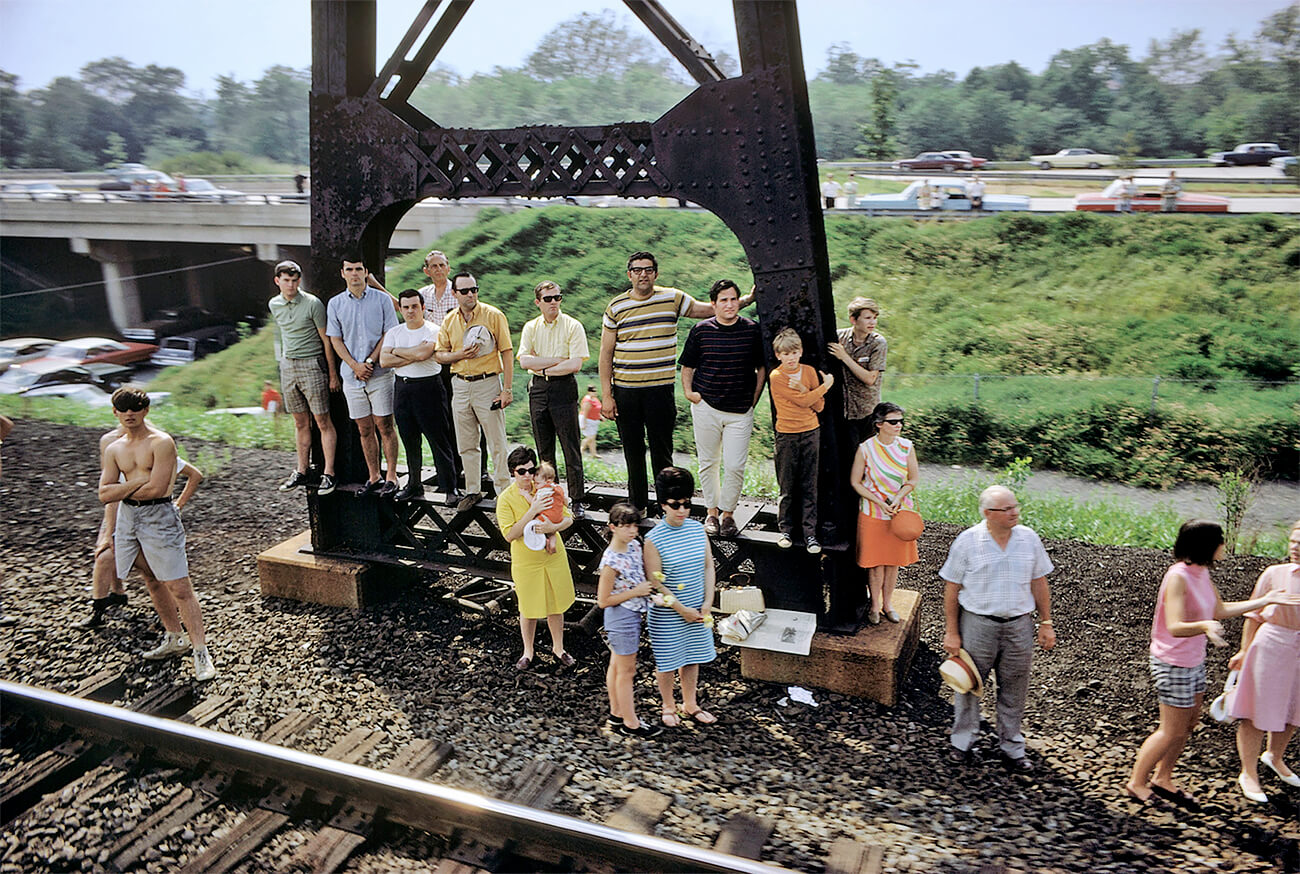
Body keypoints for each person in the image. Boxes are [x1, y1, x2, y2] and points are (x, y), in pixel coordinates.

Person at [1123, 520, 1300, 806]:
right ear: (1206, 545)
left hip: (1193, 660)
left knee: (1189, 724)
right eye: (1221, 541)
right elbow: (1175, 625)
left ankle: (1163, 778)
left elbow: (1220, 609)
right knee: (1170, 729)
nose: (1225, 546)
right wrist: (1205, 626)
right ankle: (1137, 782)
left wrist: (1266, 600)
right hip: (1172, 662)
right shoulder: (1178, 576)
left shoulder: (1201, 572)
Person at [598, 252, 751, 512]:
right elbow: (605, 352)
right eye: (637, 270)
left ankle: (665, 505)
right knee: (633, 452)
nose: (642, 274)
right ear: (629, 274)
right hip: (626, 390)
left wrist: (746, 299)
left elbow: (710, 308)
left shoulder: (672, 298)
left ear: (656, 273)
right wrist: (607, 395)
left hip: (660, 390)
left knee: (662, 451)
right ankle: (638, 505)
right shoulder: (616, 307)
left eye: (648, 269)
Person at [98, 387, 216, 681]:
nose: (129, 414)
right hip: (128, 518)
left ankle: (201, 652)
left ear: (145, 410)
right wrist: (137, 483)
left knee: (179, 586)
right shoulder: (114, 448)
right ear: (115, 412)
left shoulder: (161, 442)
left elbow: (158, 488)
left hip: (158, 515)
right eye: (123, 409)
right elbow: (103, 493)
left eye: (134, 408)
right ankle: (175, 636)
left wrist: (124, 487)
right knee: (150, 578)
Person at [940, 485, 1054, 773]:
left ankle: (1011, 747)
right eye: (1006, 509)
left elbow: (1039, 582)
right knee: (967, 685)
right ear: (988, 514)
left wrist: (1046, 623)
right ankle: (962, 742)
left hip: (1018, 625)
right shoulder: (967, 542)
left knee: (1015, 688)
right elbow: (951, 588)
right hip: (977, 624)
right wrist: (951, 632)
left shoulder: (1029, 539)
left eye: (1015, 506)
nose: (1014, 512)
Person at [80, 424, 203, 629]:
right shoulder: (116, 454)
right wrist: (108, 531)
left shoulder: (160, 454)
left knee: (159, 575)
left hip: (153, 518)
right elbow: (109, 499)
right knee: (105, 557)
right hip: (122, 516)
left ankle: (174, 620)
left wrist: (178, 505)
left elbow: (193, 475)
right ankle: (101, 609)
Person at [679, 279, 766, 538]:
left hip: (740, 410)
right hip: (707, 406)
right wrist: (689, 393)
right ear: (714, 304)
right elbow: (687, 366)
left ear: (739, 301)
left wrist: (754, 398)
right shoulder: (701, 330)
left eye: (733, 299)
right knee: (708, 462)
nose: (729, 304)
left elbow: (762, 368)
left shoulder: (752, 330)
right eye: (723, 300)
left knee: (735, 464)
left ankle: (729, 514)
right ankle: (712, 513)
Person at [1229, 520, 1300, 802]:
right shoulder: (1274, 574)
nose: (1295, 548)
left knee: (1294, 709)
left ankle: (1274, 756)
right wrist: (1244, 651)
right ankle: (1249, 772)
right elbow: (1254, 615)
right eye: (1293, 542)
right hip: (1271, 645)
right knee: (1256, 710)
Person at [643, 467, 717, 727]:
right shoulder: (653, 539)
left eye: (687, 504)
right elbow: (655, 582)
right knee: (668, 660)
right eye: (675, 505)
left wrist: (708, 602)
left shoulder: (697, 530)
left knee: (693, 657)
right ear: (663, 504)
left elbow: (708, 566)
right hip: (669, 612)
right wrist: (680, 608)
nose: (682, 511)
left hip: (697, 607)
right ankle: (667, 705)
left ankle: (691, 703)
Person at [435, 271, 514, 512]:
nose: (471, 294)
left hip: (487, 383)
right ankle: (472, 490)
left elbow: (507, 351)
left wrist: (507, 390)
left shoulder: (493, 315)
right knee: (466, 441)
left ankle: (504, 493)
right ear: (454, 294)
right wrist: (459, 355)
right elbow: (440, 354)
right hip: (460, 384)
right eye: (465, 291)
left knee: (496, 440)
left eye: (474, 289)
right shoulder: (449, 321)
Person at [496, 445, 576, 670]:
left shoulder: (543, 487)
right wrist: (532, 511)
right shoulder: (506, 499)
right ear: (513, 471)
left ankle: (558, 648)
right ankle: (528, 651)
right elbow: (510, 534)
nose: (527, 476)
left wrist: (554, 526)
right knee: (528, 606)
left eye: (531, 471)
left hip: (552, 556)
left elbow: (568, 517)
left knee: (556, 604)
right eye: (522, 471)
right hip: (526, 560)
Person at [326, 253, 400, 496]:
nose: (354, 274)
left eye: (359, 269)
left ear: (365, 272)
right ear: (342, 273)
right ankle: (374, 475)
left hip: (379, 373)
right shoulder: (335, 303)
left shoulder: (381, 300)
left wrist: (369, 361)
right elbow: (335, 339)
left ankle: (391, 475)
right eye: (350, 269)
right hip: (352, 375)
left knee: (385, 425)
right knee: (364, 428)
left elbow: (388, 333)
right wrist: (354, 365)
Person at [517, 280, 590, 518]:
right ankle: (552, 495)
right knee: (544, 448)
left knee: (570, 446)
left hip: (563, 388)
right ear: (538, 302)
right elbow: (525, 361)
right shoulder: (531, 327)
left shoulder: (572, 325)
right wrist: (558, 360)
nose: (554, 303)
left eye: (558, 297)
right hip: (538, 389)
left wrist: (545, 366)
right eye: (548, 299)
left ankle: (577, 498)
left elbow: (575, 364)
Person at [379, 289, 457, 503]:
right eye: (406, 307)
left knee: (438, 438)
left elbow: (424, 354)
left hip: (428, 387)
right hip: (403, 388)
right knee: (409, 438)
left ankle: (450, 487)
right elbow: (384, 361)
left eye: (415, 306)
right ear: (401, 309)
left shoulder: (434, 330)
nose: (410, 311)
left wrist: (398, 352)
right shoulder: (394, 332)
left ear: (423, 307)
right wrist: (412, 354)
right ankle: (414, 484)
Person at [269, 259, 339, 496]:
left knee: (322, 421)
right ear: (278, 281)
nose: (290, 285)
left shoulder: (312, 304)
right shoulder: (274, 304)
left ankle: (329, 474)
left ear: (299, 281)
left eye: (294, 280)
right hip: (288, 365)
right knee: (299, 422)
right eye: (286, 280)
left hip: (312, 363)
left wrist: (332, 374)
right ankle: (301, 469)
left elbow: (326, 340)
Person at [596, 502, 663, 739]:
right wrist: (637, 591)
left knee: (617, 666)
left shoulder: (635, 546)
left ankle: (616, 714)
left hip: (633, 613)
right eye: (626, 526)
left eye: (634, 525)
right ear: (612, 527)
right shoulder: (610, 561)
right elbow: (603, 600)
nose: (632, 530)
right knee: (627, 670)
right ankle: (631, 723)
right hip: (620, 616)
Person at [850, 402, 919, 625]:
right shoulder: (866, 448)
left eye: (900, 421)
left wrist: (898, 499)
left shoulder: (907, 447)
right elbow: (856, 482)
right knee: (876, 563)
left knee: (893, 562)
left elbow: (913, 479)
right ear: (879, 424)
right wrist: (878, 501)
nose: (898, 425)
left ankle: (888, 605)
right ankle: (875, 606)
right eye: (893, 421)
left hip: (899, 514)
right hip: (872, 512)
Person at [768, 327, 832, 554]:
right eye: (785, 354)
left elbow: (819, 406)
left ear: (801, 352)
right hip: (786, 434)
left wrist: (807, 389)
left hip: (811, 432)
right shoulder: (777, 376)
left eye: (794, 352)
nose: (790, 358)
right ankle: (785, 530)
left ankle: (810, 534)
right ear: (778, 355)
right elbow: (807, 402)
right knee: (787, 485)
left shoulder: (809, 372)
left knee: (809, 485)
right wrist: (825, 387)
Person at [827, 296, 887, 450]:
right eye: (867, 318)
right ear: (853, 320)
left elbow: (870, 378)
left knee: (868, 456)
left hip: (867, 412)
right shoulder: (840, 337)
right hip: (844, 411)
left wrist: (844, 357)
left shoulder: (878, 343)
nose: (872, 322)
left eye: (874, 318)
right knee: (847, 458)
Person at [528, 461, 566, 554]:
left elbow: (534, 503)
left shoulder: (543, 490)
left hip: (547, 516)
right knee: (552, 532)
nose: (535, 485)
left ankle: (543, 542)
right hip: (558, 517)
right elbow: (566, 500)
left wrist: (525, 495)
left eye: (537, 483)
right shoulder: (557, 488)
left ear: (548, 481)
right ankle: (552, 544)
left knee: (534, 523)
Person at [579, 385, 602, 458]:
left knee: (593, 438)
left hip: (594, 420)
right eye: (593, 391)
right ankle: (581, 450)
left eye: (595, 391)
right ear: (589, 392)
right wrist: (583, 424)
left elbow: (597, 410)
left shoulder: (595, 399)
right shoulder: (587, 401)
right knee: (590, 438)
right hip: (587, 420)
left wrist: (601, 417)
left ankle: (593, 454)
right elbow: (585, 413)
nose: (595, 393)